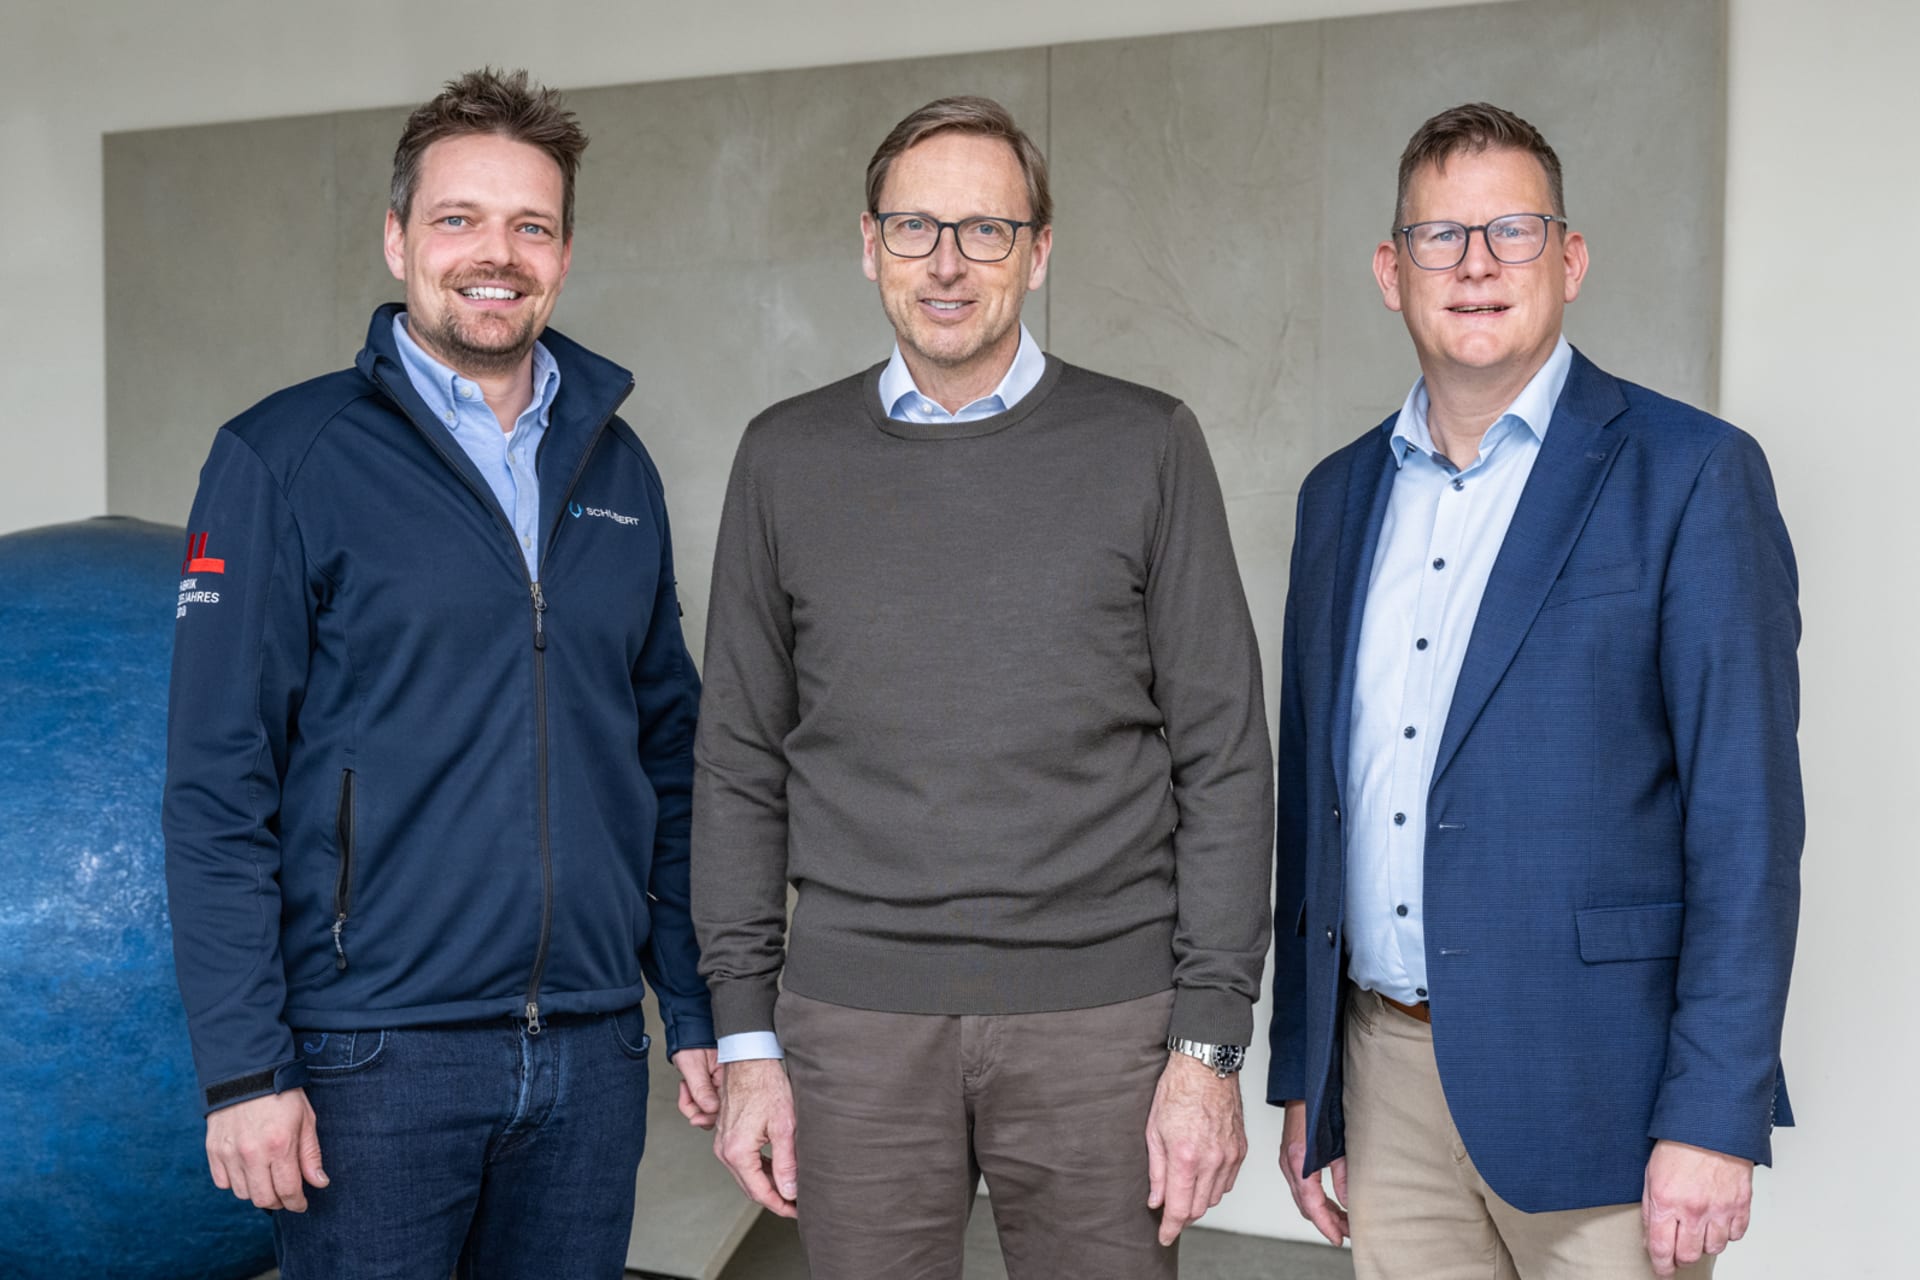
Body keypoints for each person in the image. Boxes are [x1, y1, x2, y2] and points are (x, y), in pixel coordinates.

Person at [691, 95, 1274, 1278]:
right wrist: (747, 1033)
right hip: (855, 1027)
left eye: (985, 230)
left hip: (1103, 1026)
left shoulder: (1147, 441)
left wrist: (1208, 1046)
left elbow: (1224, 753)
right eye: (914, 228)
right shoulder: (784, 457)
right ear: (869, 246)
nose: (946, 264)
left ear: (1039, 250)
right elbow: (739, 759)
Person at [162, 67, 719, 1278]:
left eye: (530, 224)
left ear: (564, 255)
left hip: (587, 1053)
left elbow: (667, 756)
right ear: (398, 237)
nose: (495, 253)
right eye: (459, 218)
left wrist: (690, 1002)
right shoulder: (281, 456)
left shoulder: (618, 470)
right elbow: (217, 783)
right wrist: (247, 1071)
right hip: (372, 1060)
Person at [1265, 102, 1801, 1279]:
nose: (1476, 267)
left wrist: (1715, 1114)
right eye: (1440, 237)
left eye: (1513, 232)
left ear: (1571, 258)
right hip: (1385, 1074)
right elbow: (1317, 806)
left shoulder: (1692, 475)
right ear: (1387, 269)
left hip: (1603, 1088)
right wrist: (1309, 1080)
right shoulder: (1335, 498)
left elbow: (1745, 827)